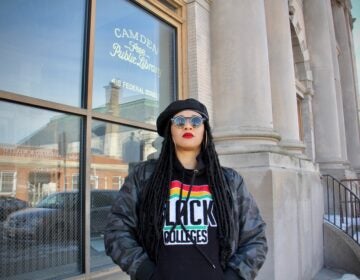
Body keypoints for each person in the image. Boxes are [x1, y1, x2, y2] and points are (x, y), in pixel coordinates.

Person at [104, 98, 267, 280]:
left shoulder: (229, 181)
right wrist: (147, 273)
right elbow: (116, 231)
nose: (188, 126)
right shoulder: (143, 176)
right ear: (170, 130)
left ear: (205, 130)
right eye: (180, 121)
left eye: (196, 121)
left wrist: (234, 276)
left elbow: (255, 237)